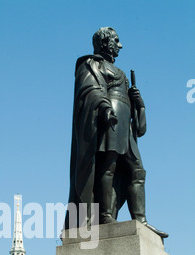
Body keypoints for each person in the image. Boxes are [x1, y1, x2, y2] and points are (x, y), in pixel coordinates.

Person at [65, 27, 168, 238]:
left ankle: (140, 219)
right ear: (104, 42)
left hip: (126, 125)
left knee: (137, 170)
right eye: (116, 40)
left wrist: (139, 103)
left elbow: (139, 121)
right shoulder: (91, 64)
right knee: (108, 166)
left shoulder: (120, 72)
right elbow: (90, 89)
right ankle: (106, 216)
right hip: (110, 120)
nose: (120, 45)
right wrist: (104, 107)